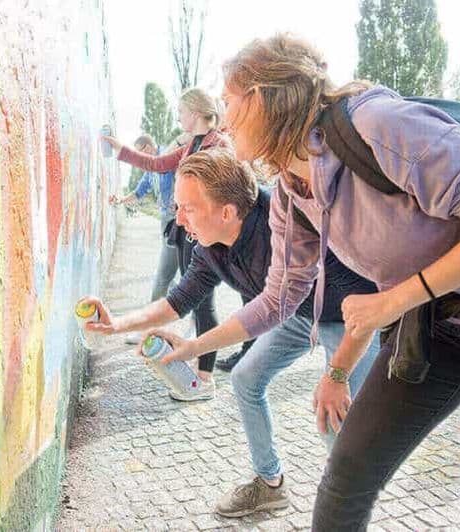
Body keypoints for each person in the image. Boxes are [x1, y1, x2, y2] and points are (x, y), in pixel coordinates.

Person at [149, 33, 460, 530]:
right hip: (444, 319)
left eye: (229, 99)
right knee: (347, 471)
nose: (222, 111)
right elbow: (278, 301)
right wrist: (194, 346)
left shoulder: (377, 124)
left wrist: (399, 299)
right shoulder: (290, 192)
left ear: (262, 97)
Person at [80, 148, 380, 515]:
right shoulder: (210, 244)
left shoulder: (284, 226)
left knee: (335, 418)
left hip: (353, 319)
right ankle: (270, 484)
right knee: (245, 378)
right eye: (177, 206)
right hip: (297, 315)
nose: (178, 219)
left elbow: (268, 310)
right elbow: (178, 300)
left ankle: (343, 509)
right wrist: (116, 324)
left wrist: (337, 374)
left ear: (227, 212)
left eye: (187, 208)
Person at [102, 88, 234, 398]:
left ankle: (205, 378)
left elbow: (225, 190)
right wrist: (121, 151)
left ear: (197, 112)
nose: (178, 117)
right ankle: (203, 376)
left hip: (206, 235)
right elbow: (159, 164)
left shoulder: (221, 145)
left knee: (205, 304)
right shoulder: (193, 144)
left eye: (181, 111)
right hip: (190, 232)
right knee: (199, 303)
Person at [109, 134, 180, 345]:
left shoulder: (167, 157)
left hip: (179, 222)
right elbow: (140, 192)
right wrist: (121, 200)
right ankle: (189, 325)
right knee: (178, 277)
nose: (140, 157)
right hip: (166, 221)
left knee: (164, 277)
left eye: (141, 152)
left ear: (148, 147)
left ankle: (150, 329)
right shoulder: (151, 171)